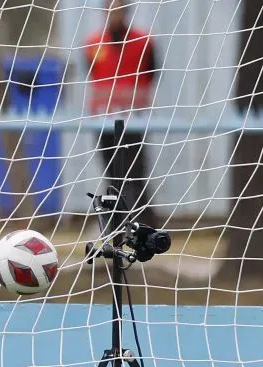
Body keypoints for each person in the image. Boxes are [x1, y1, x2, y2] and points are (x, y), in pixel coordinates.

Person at [85, 0, 160, 227]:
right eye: (109, 8)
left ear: (126, 10)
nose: (113, 13)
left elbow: (151, 75)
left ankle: (144, 224)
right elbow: (94, 77)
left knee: (135, 174)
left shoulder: (144, 42)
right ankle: (115, 225)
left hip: (132, 121)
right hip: (104, 121)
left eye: (118, 8)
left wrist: (130, 97)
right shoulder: (94, 44)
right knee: (112, 174)